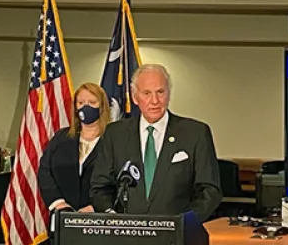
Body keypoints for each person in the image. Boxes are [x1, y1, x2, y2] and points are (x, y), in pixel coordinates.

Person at [90, 63, 222, 220]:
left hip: (177, 236)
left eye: (160, 92)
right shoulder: (115, 133)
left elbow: (209, 190)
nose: (155, 101)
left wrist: (185, 223)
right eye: (146, 93)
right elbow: (100, 187)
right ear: (134, 97)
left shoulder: (195, 133)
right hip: (126, 235)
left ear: (169, 94)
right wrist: (112, 217)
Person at [38, 82, 109, 214]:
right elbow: (44, 171)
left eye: (92, 102)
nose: (85, 107)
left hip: (99, 218)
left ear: (102, 106)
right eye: (81, 103)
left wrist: (97, 206)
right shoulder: (61, 137)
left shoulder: (113, 140)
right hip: (63, 214)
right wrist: (58, 203)